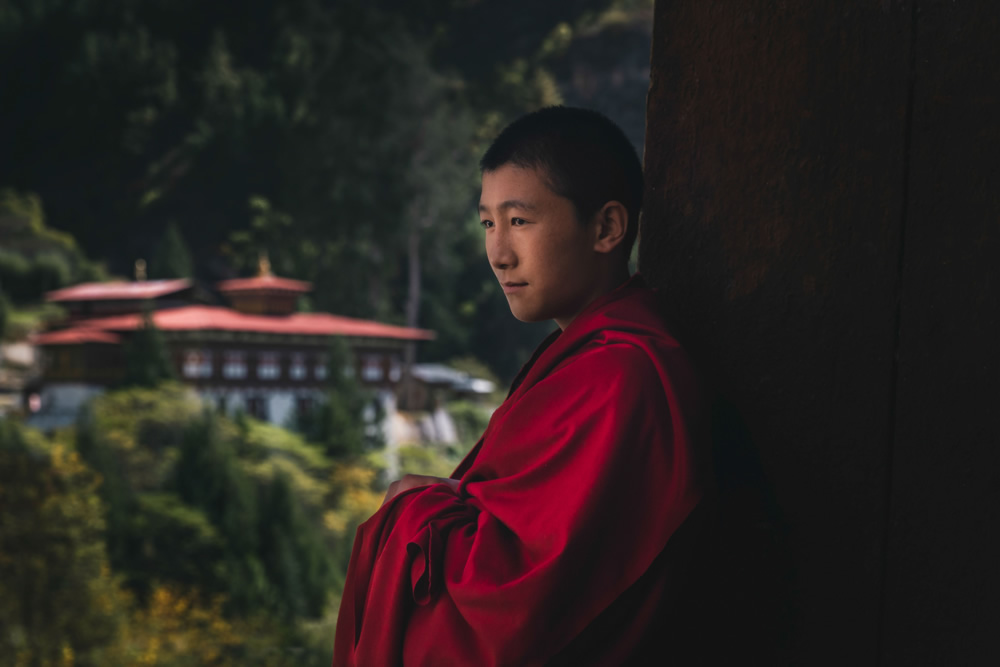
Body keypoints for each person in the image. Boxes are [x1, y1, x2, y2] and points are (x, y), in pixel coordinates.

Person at [332, 106, 711, 666]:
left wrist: (415, 508)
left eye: (520, 221)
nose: (499, 253)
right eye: (488, 223)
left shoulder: (621, 375)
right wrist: (444, 500)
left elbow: (523, 599)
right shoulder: (583, 358)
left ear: (606, 227)